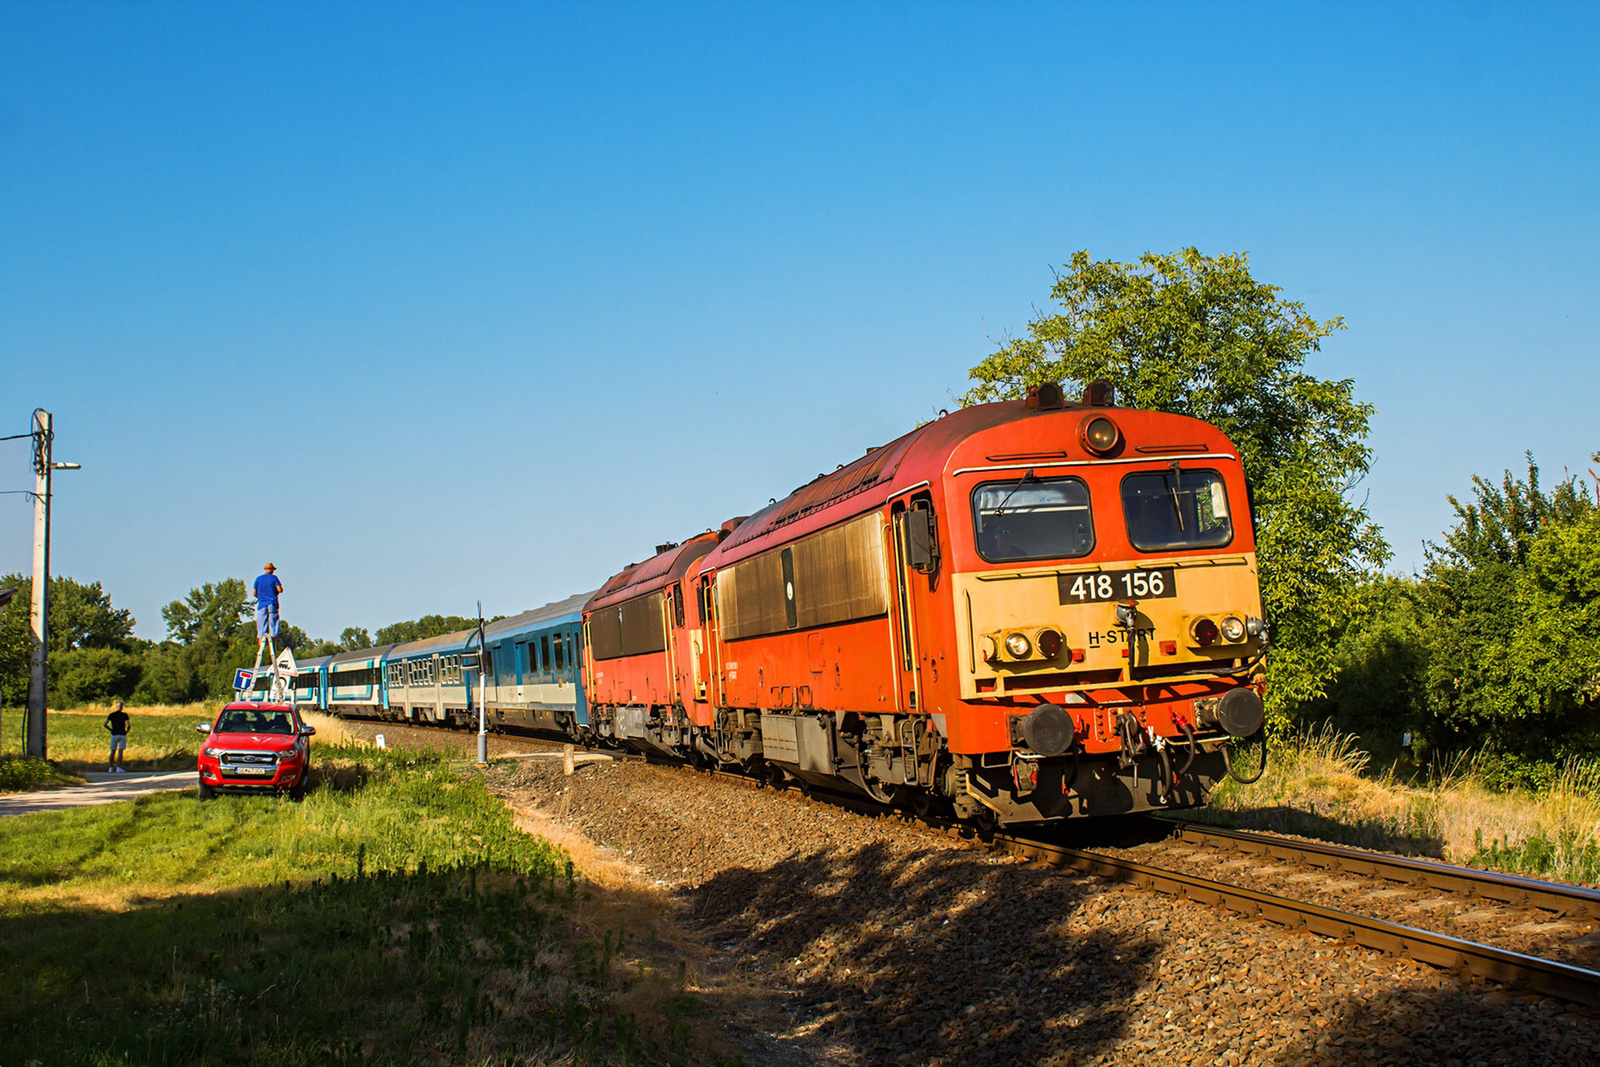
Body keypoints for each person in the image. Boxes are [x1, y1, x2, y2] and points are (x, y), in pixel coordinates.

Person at [254, 563, 284, 646]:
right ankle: (273, 644)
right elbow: (279, 589)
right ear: (271, 569)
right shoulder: (274, 578)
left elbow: (254, 592)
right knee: (273, 624)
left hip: (262, 604)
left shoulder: (258, 579)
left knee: (261, 626)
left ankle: (260, 645)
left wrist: (260, 597)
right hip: (272, 603)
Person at [104, 700, 130, 772]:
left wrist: (111, 730)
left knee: (113, 751)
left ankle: (111, 767)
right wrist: (127, 731)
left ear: (116, 707)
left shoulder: (112, 715)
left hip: (115, 734)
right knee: (120, 751)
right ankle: (118, 767)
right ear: (122, 707)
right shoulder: (124, 715)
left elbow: (105, 724)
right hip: (122, 734)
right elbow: (129, 725)